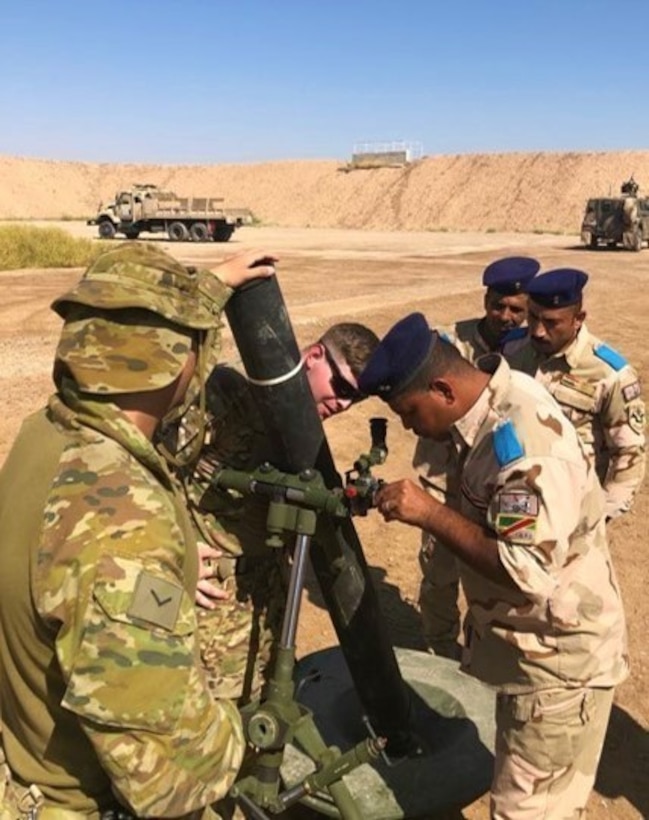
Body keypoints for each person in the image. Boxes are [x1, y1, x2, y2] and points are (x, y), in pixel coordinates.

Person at [0, 242, 277, 819]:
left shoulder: (45, 435)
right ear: (181, 361)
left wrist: (164, 580)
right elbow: (170, 775)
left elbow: (76, 586)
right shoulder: (122, 512)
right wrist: (240, 731)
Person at [358, 312, 628, 818]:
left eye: (409, 411)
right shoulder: (491, 407)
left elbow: (526, 569)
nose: (409, 426)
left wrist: (429, 512)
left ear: (443, 388)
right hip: (525, 653)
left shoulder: (525, 444)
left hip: (558, 667)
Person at [173, 323, 379, 705]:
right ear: (314, 357)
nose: (344, 405)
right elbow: (147, 473)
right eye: (344, 388)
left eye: (357, 399)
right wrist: (172, 553)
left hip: (265, 611)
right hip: (206, 608)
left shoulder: (301, 433)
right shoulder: (226, 394)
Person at [414, 255, 540, 658]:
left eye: (516, 309)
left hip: (500, 483)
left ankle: (487, 655)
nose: (505, 316)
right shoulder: (449, 343)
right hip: (445, 478)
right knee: (438, 574)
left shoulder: (534, 350)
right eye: (497, 305)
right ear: (485, 299)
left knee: (498, 572)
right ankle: (439, 651)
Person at [509, 268, 646, 520]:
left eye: (551, 322)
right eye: (533, 318)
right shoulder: (513, 350)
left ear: (578, 318)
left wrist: (598, 519)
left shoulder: (610, 374)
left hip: (572, 511)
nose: (538, 331)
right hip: (515, 503)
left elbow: (629, 454)